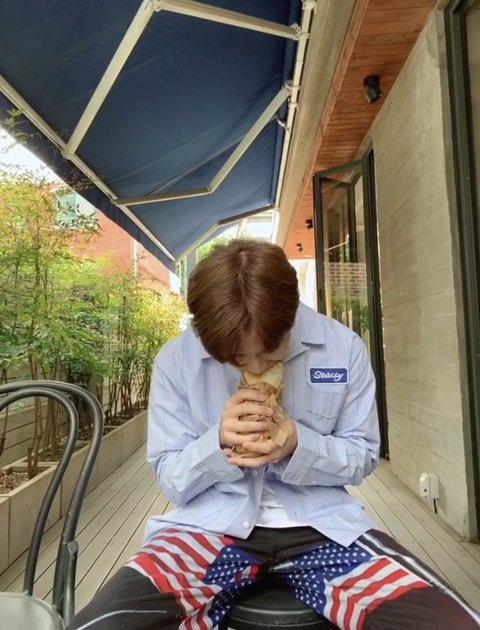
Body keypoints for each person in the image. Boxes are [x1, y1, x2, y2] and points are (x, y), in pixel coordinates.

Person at [69, 239, 480, 630]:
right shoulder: (177, 360)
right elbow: (170, 477)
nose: (253, 366)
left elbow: (363, 454)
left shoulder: (342, 348)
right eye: (235, 358)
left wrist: (298, 443)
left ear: (291, 318)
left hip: (325, 529)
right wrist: (216, 442)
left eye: (268, 353)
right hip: (208, 528)